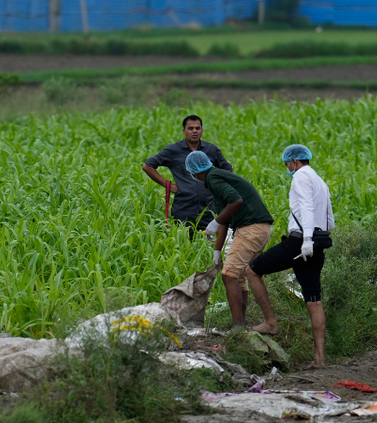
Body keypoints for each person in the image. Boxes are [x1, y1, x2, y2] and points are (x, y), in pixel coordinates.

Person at [245, 144, 334, 370]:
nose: (288, 168)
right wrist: (317, 238)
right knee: (314, 300)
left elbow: (305, 207)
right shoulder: (319, 180)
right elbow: (329, 217)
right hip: (319, 242)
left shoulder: (301, 177)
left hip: (300, 242)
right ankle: (319, 358)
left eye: (287, 164)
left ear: (294, 160)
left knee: (252, 270)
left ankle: (270, 323)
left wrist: (306, 240)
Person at [185, 150, 273, 330]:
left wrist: (214, 222)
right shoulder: (217, 177)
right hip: (258, 229)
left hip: (251, 228)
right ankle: (242, 323)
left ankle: (238, 327)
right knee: (239, 277)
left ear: (194, 171)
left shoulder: (213, 178)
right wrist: (217, 250)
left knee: (229, 275)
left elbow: (236, 201)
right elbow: (225, 219)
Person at [142, 115, 233, 234]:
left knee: (210, 244)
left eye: (197, 128)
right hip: (184, 208)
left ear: (202, 131)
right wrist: (167, 184)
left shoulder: (211, 149)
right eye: (190, 128)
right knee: (183, 244)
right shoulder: (173, 150)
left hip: (209, 209)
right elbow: (148, 166)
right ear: (184, 132)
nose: (194, 131)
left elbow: (228, 170)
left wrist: (219, 187)